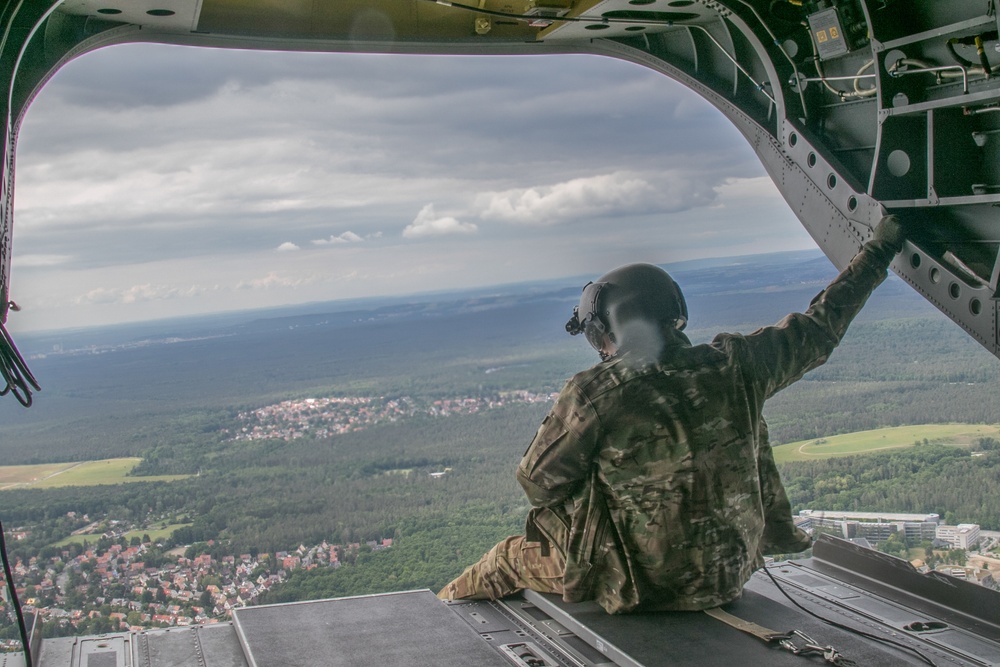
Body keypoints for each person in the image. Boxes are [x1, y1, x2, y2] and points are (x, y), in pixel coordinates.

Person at [438, 215, 906, 614]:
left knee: (502, 561)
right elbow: (821, 325)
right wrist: (881, 247)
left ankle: (434, 618)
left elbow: (537, 484)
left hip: (637, 584)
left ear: (608, 327)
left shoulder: (594, 393)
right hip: (727, 576)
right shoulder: (738, 364)